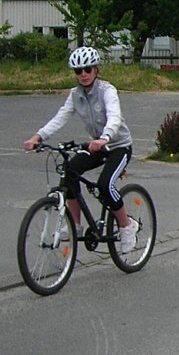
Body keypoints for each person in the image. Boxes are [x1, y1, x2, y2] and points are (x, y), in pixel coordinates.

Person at [22, 46, 138, 252]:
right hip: (97, 146)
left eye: (88, 69)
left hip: (118, 146)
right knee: (69, 173)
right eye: (78, 71)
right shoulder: (75, 95)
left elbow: (114, 117)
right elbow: (60, 117)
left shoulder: (107, 91)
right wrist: (38, 136)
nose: (83, 74)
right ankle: (75, 225)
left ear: (96, 70)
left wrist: (105, 138)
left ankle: (126, 226)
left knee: (105, 185)